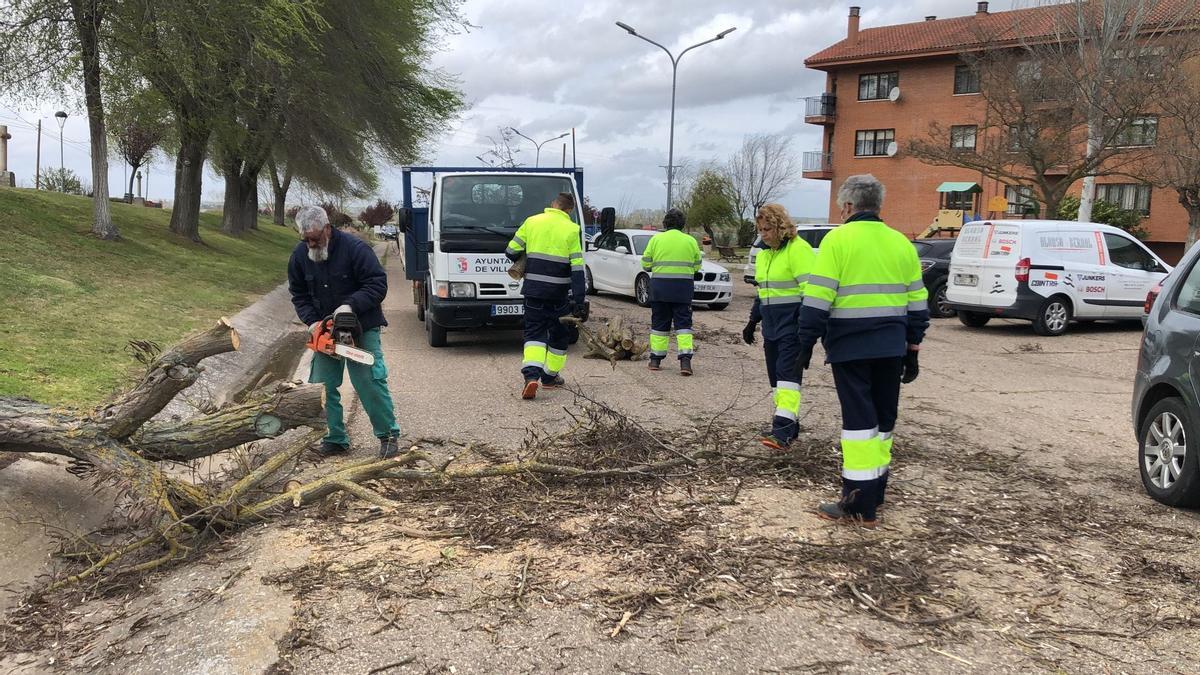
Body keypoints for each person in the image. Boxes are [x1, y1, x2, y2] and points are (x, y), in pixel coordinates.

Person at [796, 174, 929, 528]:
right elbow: (918, 301)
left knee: (858, 425)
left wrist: (805, 342)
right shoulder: (901, 243)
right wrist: (913, 348)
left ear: (850, 206)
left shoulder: (837, 241)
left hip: (850, 347)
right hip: (891, 346)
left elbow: (818, 297)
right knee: (884, 420)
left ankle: (857, 503)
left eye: (843, 206)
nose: (841, 211)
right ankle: (876, 492)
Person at [287, 205, 402, 458]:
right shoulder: (300, 256)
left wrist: (350, 305)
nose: (311, 243)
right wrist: (313, 323)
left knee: (369, 382)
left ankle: (388, 435)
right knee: (321, 386)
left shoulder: (355, 249)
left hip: (361, 326)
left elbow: (376, 284)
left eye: (315, 238)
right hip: (325, 331)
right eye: (306, 239)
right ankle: (334, 438)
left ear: (327, 228)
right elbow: (299, 294)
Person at [743, 204, 814, 450]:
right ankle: (790, 426)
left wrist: (808, 335)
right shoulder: (764, 254)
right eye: (761, 230)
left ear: (780, 226)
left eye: (768, 229)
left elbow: (811, 295)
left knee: (787, 377)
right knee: (777, 380)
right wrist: (753, 321)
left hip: (793, 326)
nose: (764, 234)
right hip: (772, 327)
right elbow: (763, 292)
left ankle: (781, 431)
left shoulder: (798, 251)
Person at [505, 192, 588, 400]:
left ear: (553, 205)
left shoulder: (532, 222)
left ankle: (531, 377)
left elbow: (510, 251)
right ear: (569, 210)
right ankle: (549, 378)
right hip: (559, 296)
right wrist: (579, 300)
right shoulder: (572, 229)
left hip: (533, 292)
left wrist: (525, 255)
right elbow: (577, 269)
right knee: (559, 336)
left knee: (534, 334)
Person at [640, 208, 702, 375]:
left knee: (659, 324)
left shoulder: (656, 240)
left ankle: (655, 360)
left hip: (660, 289)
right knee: (684, 325)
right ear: (682, 224)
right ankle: (685, 362)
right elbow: (697, 266)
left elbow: (645, 264)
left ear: (665, 223)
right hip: (683, 290)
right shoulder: (690, 241)